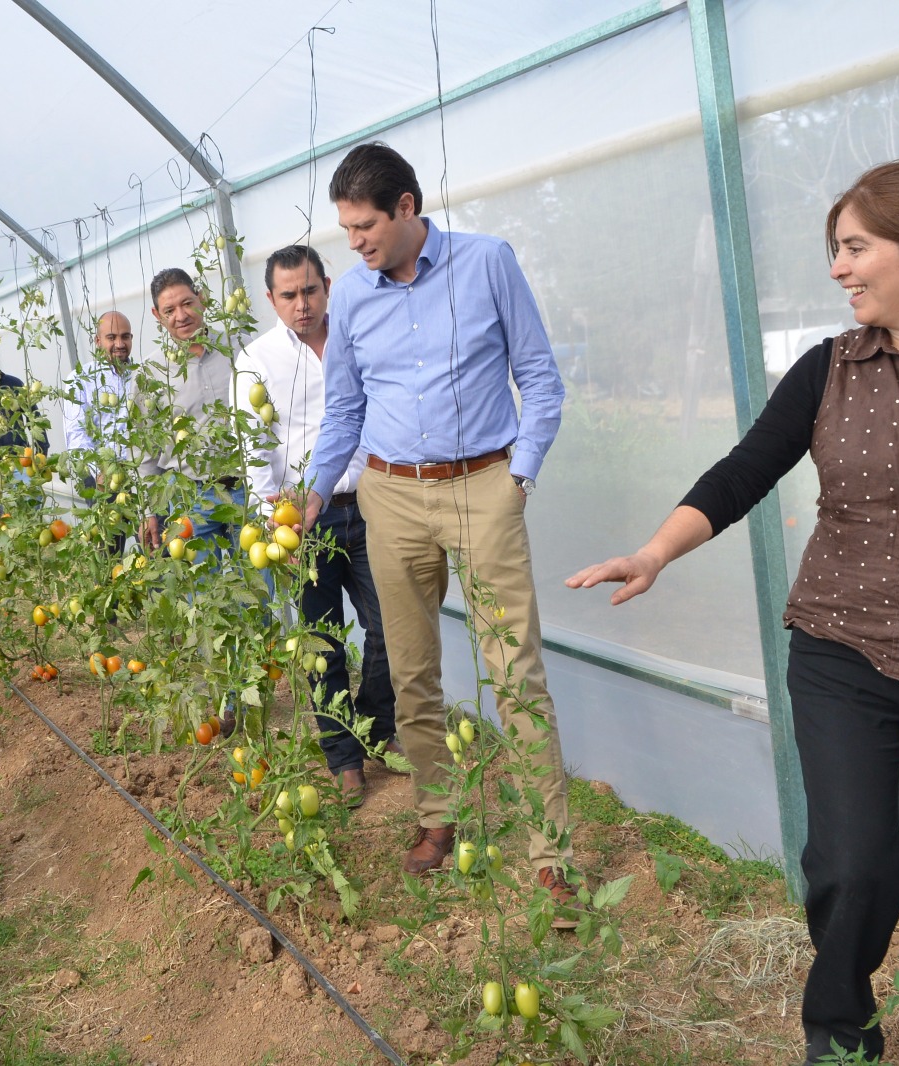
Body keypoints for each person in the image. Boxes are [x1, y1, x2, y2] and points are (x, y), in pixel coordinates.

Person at [567, 158, 899, 1066]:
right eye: (836, 250)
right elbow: (745, 470)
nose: (838, 268)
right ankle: (842, 1034)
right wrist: (657, 550)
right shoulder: (830, 371)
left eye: (855, 248)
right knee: (855, 864)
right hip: (839, 655)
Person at [300, 143, 578, 920]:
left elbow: (540, 378)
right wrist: (317, 491)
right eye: (346, 228)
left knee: (514, 668)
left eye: (364, 226)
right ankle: (436, 816)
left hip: (484, 483)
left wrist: (517, 477)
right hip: (392, 493)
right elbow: (346, 410)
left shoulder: (489, 264)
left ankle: (551, 853)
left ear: (408, 208)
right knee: (412, 670)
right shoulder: (352, 299)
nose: (353, 244)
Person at [236, 245, 400, 807]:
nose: (301, 305)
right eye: (288, 295)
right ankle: (343, 756)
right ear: (270, 299)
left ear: (326, 286)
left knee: (389, 629)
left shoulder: (358, 335)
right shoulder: (256, 360)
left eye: (309, 291)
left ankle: (377, 726)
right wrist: (271, 523)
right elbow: (254, 448)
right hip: (303, 520)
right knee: (321, 641)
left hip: (373, 502)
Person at [136, 269, 243, 552]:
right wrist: (150, 511)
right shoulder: (150, 373)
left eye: (187, 303)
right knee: (201, 587)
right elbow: (146, 449)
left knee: (262, 589)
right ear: (157, 315)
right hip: (190, 498)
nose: (180, 316)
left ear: (202, 299)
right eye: (169, 310)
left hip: (245, 488)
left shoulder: (239, 347)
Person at [64, 312, 134, 556]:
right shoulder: (81, 379)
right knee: (109, 547)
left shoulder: (142, 375)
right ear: (97, 341)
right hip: (102, 478)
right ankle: (109, 591)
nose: (119, 344)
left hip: (140, 472)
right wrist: (99, 471)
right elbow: (75, 433)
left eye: (125, 337)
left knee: (155, 541)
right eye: (111, 337)